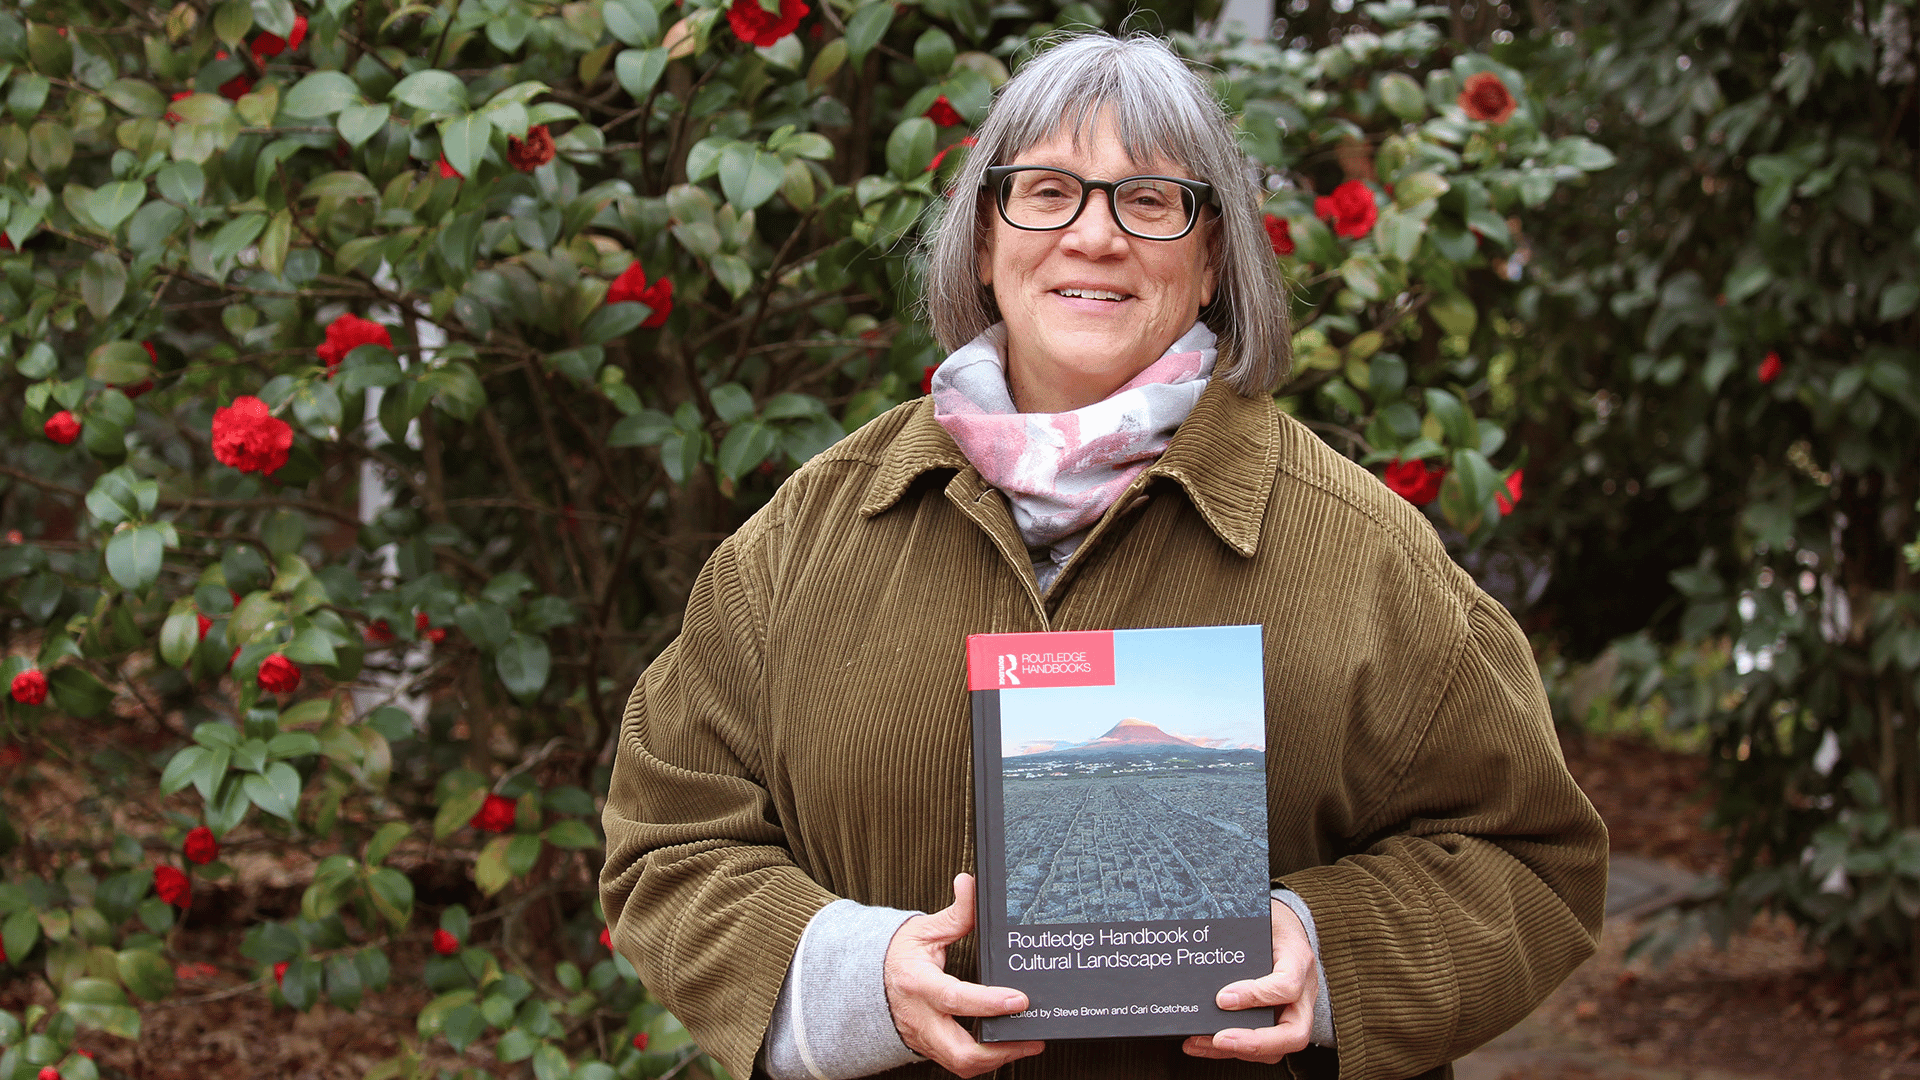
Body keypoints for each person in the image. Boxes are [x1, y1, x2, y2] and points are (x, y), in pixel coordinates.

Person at [600, 31, 1608, 1080]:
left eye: (1150, 200)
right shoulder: (806, 536)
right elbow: (668, 839)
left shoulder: (1363, 552)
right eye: (1047, 192)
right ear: (985, 239)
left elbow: (1528, 859)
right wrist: (862, 975)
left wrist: (1328, 954)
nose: (1095, 236)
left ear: (1213, 254)